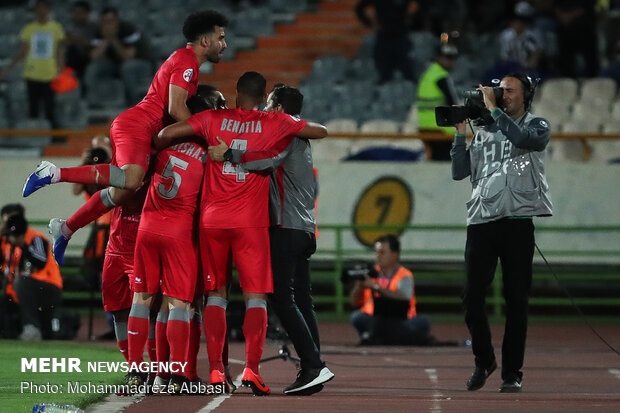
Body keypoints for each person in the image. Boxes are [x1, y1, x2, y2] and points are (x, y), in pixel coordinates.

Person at [156, 71, 328, 396]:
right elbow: (320, 130)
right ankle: (252, 369)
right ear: (264, 99)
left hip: (212, 222)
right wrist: (285, 120)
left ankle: (218, 372)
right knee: (256, 297)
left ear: (235, 93)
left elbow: (165, 133)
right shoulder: (273, 122)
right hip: (251, 223)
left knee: (216, 296)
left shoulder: (211, 118)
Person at [22, 10, 228, 266]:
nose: (224, 44)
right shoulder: (186, 60)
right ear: (206, 41)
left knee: (119, 194)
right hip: (137, 126)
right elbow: (176, 109)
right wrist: (206, 136)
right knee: (131, 179)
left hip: (142, 129)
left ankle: (66, 229)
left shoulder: (187, 62)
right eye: (221, 37)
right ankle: (53, 173)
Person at [209, 85, 334, 395]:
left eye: (267, 105)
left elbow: (266, 159)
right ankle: (312, 364)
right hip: (305, 227)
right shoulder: (302, 136)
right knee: (302, 301)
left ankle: (313, 365)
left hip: (286, 227)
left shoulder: (283, 133)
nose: (263, 111)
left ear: (277, 109)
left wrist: (229, 154)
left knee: (280, 297)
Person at [450, 73, 553, 393]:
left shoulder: (538, 125)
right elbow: (459, 172)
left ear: (526, 95)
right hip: (481, 219)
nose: (502, 95)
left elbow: (523, 140)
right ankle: (484, 359)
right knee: (471, 296)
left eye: (509, 91)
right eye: (500, 91)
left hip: (518, 220)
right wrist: (459, 136)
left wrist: (493, 110)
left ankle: (512, 372)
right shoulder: (484, 128)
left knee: (516, 300)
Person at [126, 94, 210, 392]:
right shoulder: (207, 153)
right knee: (179, 303)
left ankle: (135, 372)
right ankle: (176, 375)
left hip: (147, 228)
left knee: (142, 298)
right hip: (180, 232)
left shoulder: (162, 145)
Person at [349, 235, 431, 345]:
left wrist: (375, 287)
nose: (378, 256)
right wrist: (359, 285)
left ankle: (377, 336)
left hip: (401, 319)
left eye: (382, 252)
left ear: (395, 254)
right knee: (357, 317)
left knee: (422, 322)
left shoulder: (404, 275)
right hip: (376, 319)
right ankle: (388, 336)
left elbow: (404, 297)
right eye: (377, 252)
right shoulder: (371, 273)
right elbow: (354, 302)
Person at [0, 0, 65, 128]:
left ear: (48, 9)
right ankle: (35, 135)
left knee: (49, 106)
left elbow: (58, 51)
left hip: (49, 74)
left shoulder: (55, 28)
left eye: (43, 8)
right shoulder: (29, 28)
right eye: (38, 8)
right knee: (33, 107)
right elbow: (22, 52)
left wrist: (61, 70)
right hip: (32, 73)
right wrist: (8, 69)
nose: (41, 11)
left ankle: (53, 136)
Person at [1, 213, 62, 341]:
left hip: (48, 286)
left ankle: (32, 328)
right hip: (21, 288)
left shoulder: (35, 238)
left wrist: (23, 245)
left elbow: (40, 262)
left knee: (21, 282)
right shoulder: (6, 243)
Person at [355, 0, 416, 83]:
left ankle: (410, 90)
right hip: (383, 37)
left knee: (407, 71)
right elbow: (359, 8)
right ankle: (385, 92)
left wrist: (412, 19)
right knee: (384, 72)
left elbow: (422, 4)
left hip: (401, 36)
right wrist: (370, 23)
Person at [417, 43, 459, 161]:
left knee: (434, 163)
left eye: (453, 57)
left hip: (425, 128)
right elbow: (453, 103)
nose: (451, 61)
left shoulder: (427, 75)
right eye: (447, 57)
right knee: (445, 165)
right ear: (438, 57)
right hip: (441, 130)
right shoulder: (441, 76)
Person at [64, 1, 97, 83]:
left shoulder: (94, 27)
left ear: (87, 13)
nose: (77, 15)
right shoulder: (70, 27)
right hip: (73, 59)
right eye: (75, 12)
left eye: (80, 12)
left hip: (89, 58)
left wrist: (76, 39)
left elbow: (94, 43)